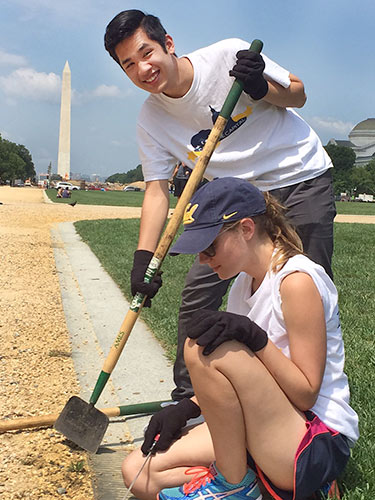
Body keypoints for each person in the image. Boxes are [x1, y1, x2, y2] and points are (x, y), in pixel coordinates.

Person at [104, 10, 337, 401]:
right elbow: (157, 190)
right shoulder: (151, 119)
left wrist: (260, 87)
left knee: (304, 289)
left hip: (299, 178)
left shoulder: (229, 54)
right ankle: (189, 399)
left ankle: (315, 404)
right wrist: (144, 256)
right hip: (236, 201)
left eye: (147, 53)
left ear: (169, 44)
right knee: (199, 290)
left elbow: (298, 92)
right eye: (129, 64)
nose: (143, 68)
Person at [121, 177, 358, 500]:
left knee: (199, 346)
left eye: (209, 247)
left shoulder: (297, 281)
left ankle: (237, 485)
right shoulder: (242, 287)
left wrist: (255, 338)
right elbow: (238, 381)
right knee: (137, 473)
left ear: (246, 228)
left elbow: (305, 394)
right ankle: (255, 485)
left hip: (312, 438)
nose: (203, 259)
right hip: (260, 423)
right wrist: (187, 408)